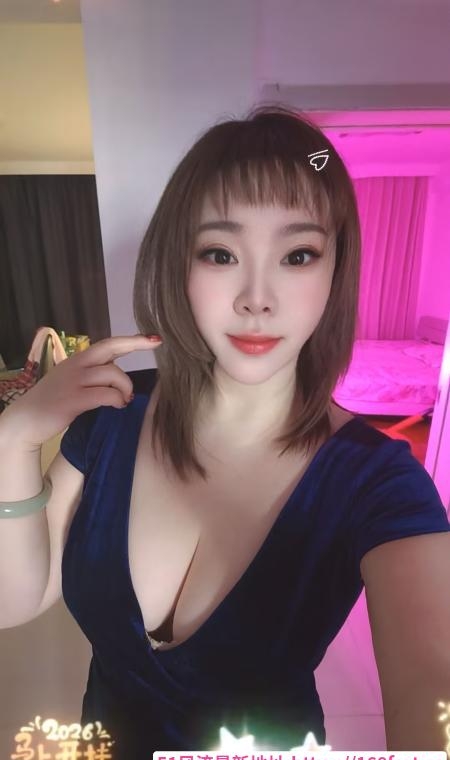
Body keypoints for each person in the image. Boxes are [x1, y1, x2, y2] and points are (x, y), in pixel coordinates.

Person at [0, 105, 449, 757]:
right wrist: (12, 440)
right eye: (220, 253)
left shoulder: (380, 484)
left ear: (335, 270)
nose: (256, 298)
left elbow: (431, 689)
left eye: (298, 254)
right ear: (178, 264)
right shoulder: (111, 414)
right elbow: (14, 601)